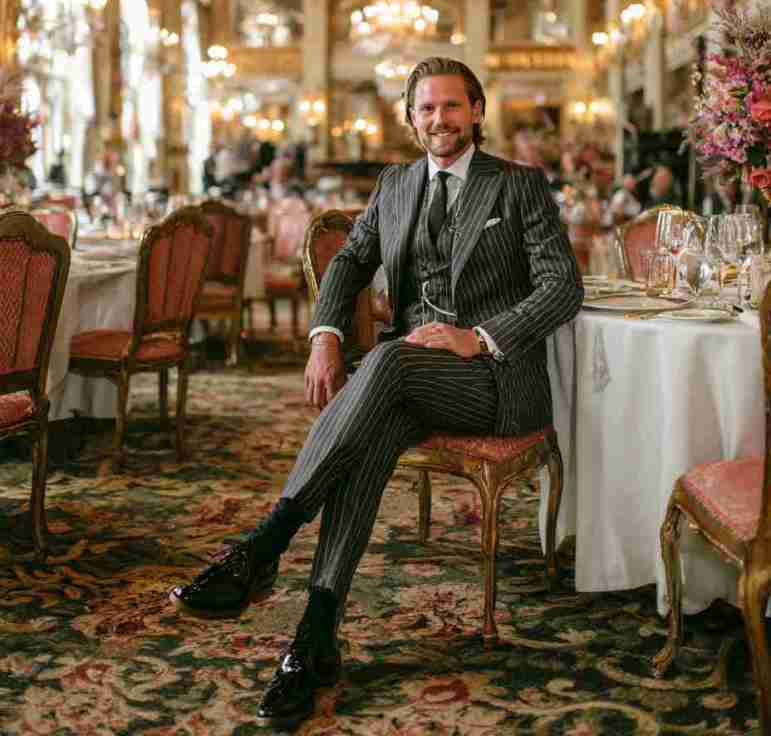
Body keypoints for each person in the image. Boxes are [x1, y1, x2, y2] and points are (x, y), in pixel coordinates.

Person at [169, 57, 583, 729]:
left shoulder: (516, 185)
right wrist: (324, 333)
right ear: (410, 118)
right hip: (409, 383)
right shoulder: (393, 185)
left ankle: (266, 542)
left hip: (494, 381)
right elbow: (349, 261)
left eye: (451, 107)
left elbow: (561, 287)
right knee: (373, 425)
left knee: (385, 367)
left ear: (476, 112)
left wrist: (475, 337)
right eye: (425, 108)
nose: (438, 120)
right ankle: (315, 634)